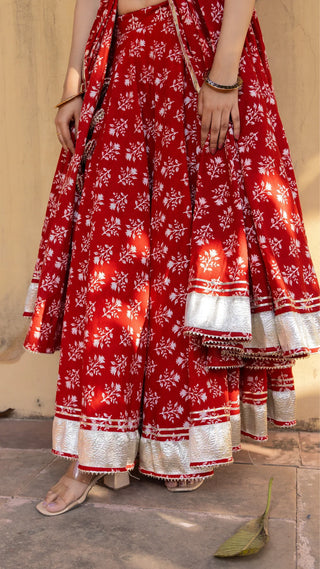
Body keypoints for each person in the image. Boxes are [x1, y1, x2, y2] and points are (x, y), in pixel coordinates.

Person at [24, 0, 320, 516]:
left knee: (190, 251)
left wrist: (223, 76)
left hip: (198, 53)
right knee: (109, 254)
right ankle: (94, 453)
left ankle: (180, 444)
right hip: (119, 54)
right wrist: (73, 84)